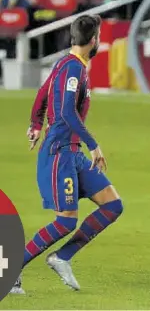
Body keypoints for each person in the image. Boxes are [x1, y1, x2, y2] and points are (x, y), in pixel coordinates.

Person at [10, 15, 124, 294]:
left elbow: (42, 93)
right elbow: (65, 112)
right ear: (95, 40)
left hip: (72, 153)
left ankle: (62, 257)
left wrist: (36, 124)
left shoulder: (67, 63)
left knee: (112, 205)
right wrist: (94, 144)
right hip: (60, 154)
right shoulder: (73, 69)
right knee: (66, 221)